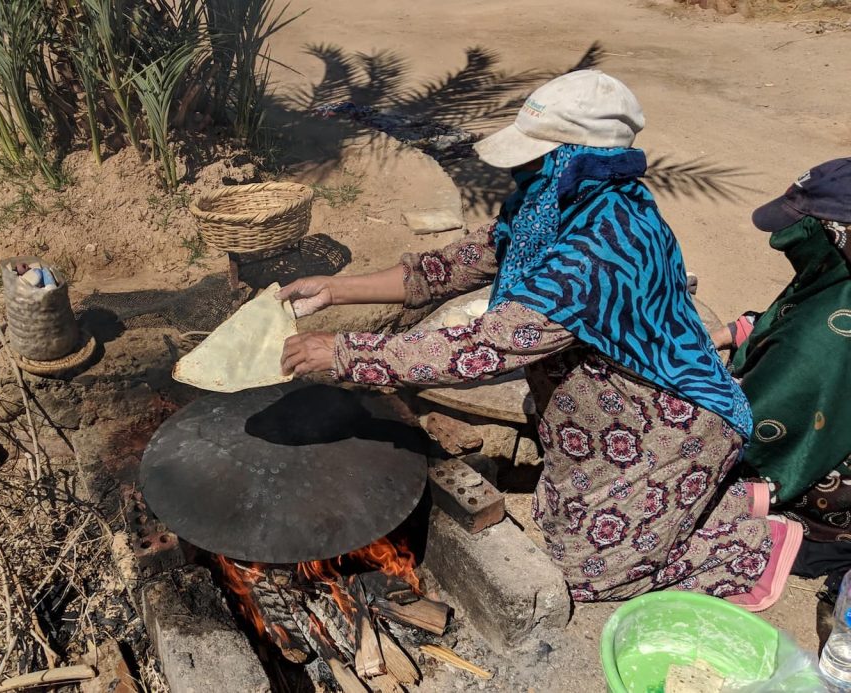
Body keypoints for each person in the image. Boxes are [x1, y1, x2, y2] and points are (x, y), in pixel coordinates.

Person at [278, 69, 801, 610]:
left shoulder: (601, 247)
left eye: (533, 157)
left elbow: (481, 348)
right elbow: (447, 267)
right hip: (602, 417)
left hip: (670, 419)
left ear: (576, 158)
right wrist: (336, 291)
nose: (521, 170)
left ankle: (750, 544)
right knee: (557, 519)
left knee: (586, 577)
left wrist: (344, 352)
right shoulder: (551, 207)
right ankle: (715, 498)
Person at [712, 159, 851, 570]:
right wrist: (732, 331)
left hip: (829, 503)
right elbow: (788, 313)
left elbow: (758, 424)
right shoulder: (834, 285)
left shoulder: (823, 336)